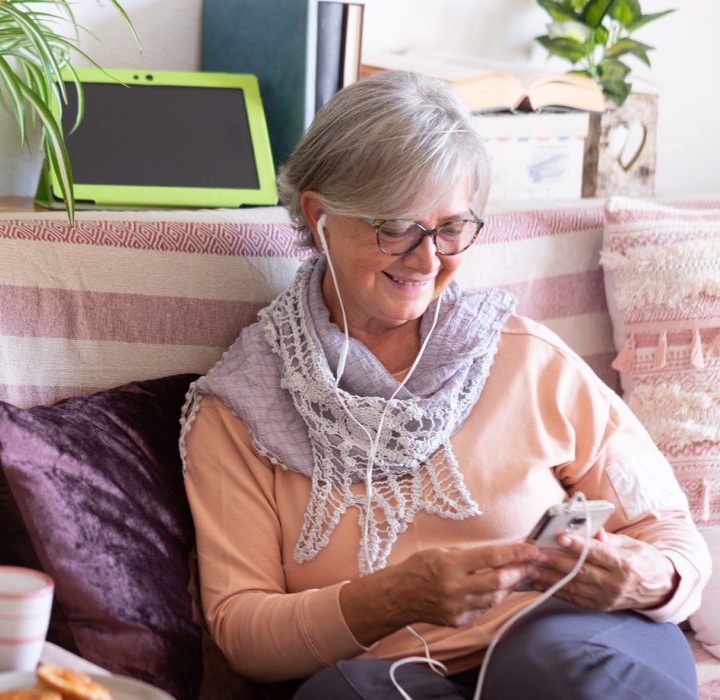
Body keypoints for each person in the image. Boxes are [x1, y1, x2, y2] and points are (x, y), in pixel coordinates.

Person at [180, 70, 710, 699]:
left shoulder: (528, 358)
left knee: (551, 668)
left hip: (571, 644)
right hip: (393, 677)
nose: (429, 260)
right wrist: (391, 600)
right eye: (397, 227)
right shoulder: (240, 411)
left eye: (453, 228)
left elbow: (668, 529)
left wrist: (648, 579)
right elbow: (242, 630)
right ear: (319, 216)